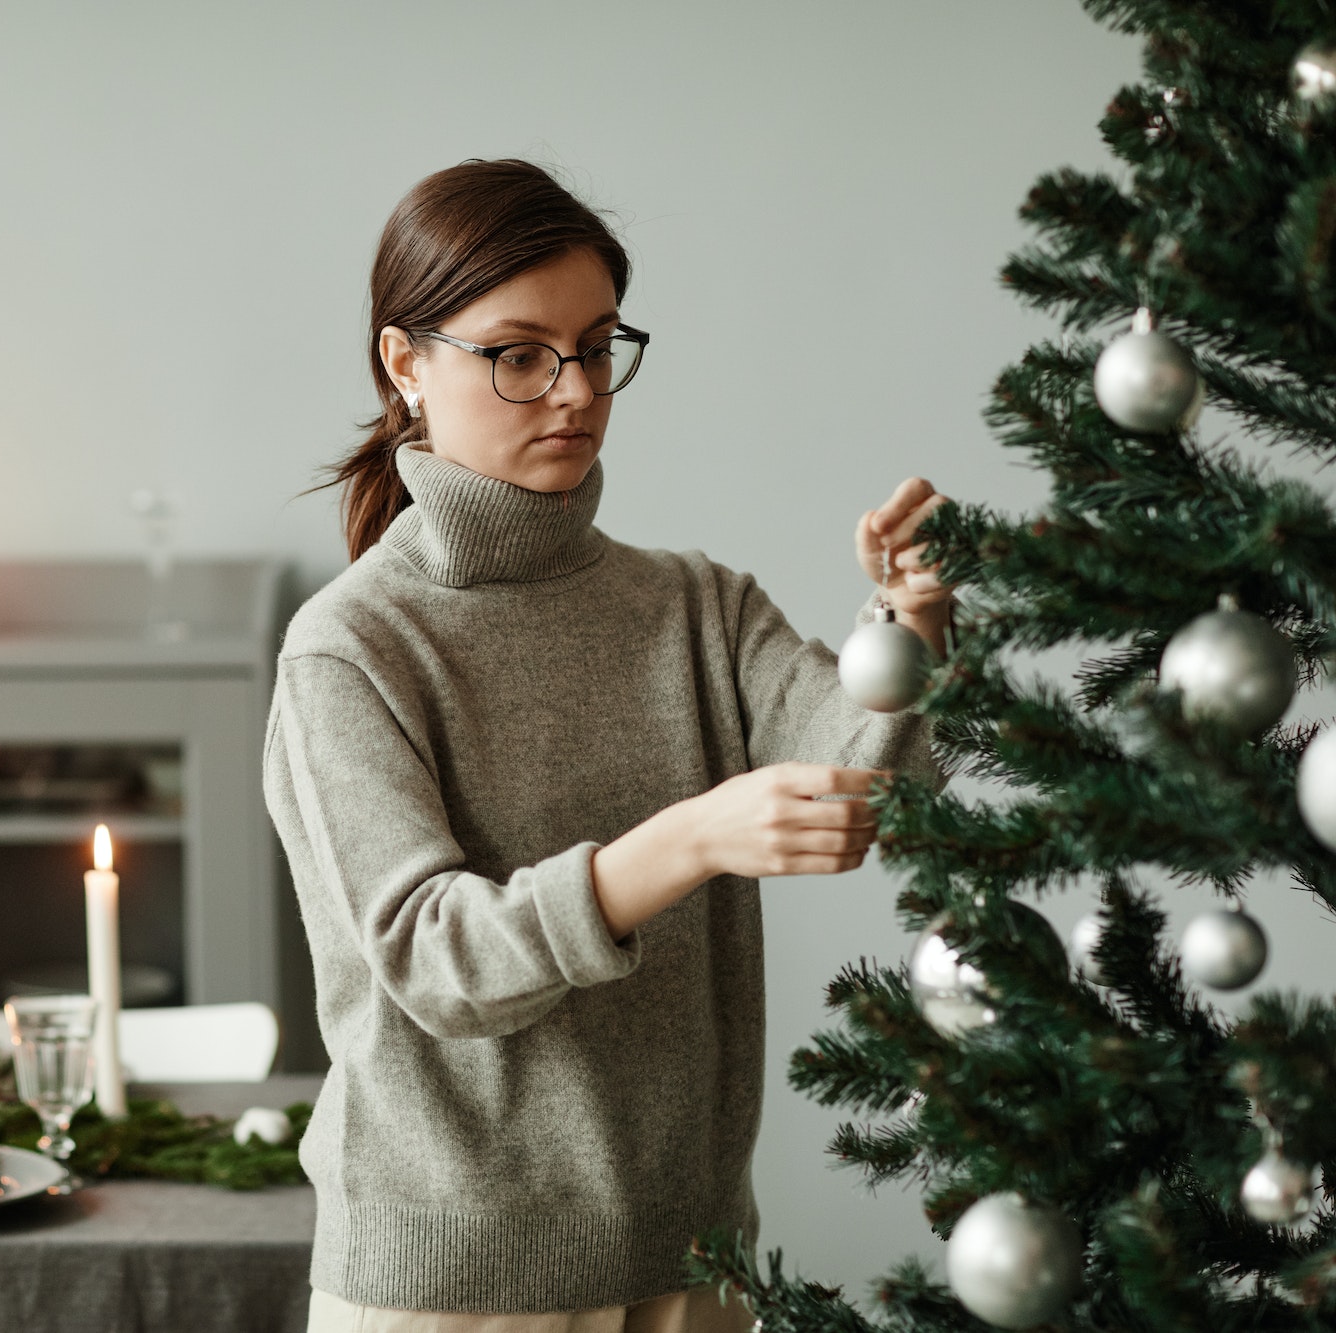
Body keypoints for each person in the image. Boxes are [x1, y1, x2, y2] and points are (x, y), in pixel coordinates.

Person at [263, 159, 956, 1333]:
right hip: (445, 1294)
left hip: (691, 1266)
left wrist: (904, 634)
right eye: (519, 353)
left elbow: (857, 796)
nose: (573, 390)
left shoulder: (697, 604)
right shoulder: (349, 647)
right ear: (404, 362)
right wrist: (688, 837)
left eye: (596, 347)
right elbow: (434, 959)